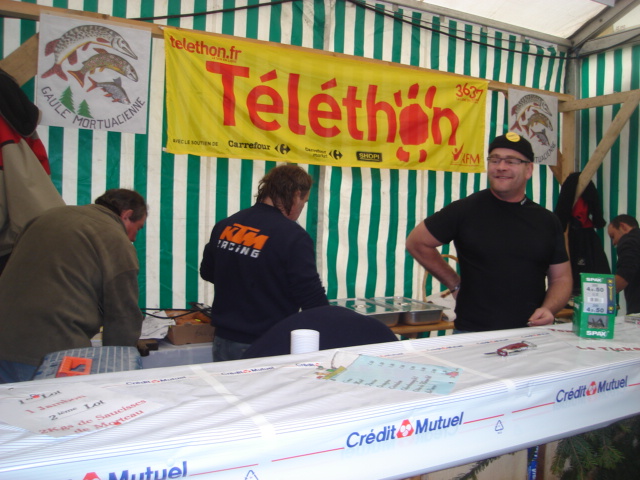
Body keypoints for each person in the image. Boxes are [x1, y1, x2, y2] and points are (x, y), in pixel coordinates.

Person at [406, 132, 572, 333]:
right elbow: (417, 242)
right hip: (472, 333)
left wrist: (549, 309)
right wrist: (455, 284)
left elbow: (561, 279)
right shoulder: (465, 210)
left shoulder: (547, 221)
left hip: (531, 333)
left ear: (528, 170)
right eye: (495, 160)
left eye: (511, 161)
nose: (501, 167)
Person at [0, 188, 148, 383]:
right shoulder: (114, 237)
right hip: (49, 352)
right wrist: (119, 372)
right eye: (138, 228)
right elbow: (122, 315)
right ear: (127, 215)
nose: (134, 238)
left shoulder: (45, 217)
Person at [200, 164, 329, 361]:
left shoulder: (227, 225)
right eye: (304, 202)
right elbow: (311, 297)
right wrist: (332, 328)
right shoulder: (293, 236)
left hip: (222, 340)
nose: (301, 209)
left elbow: (207, 271)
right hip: (266, 343)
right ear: (296, 195)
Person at [607, 214, 640, 314]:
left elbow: (625, 274)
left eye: (613, 236)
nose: (614, 243)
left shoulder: (629, 240)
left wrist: (599, 294)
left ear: (623, 226)